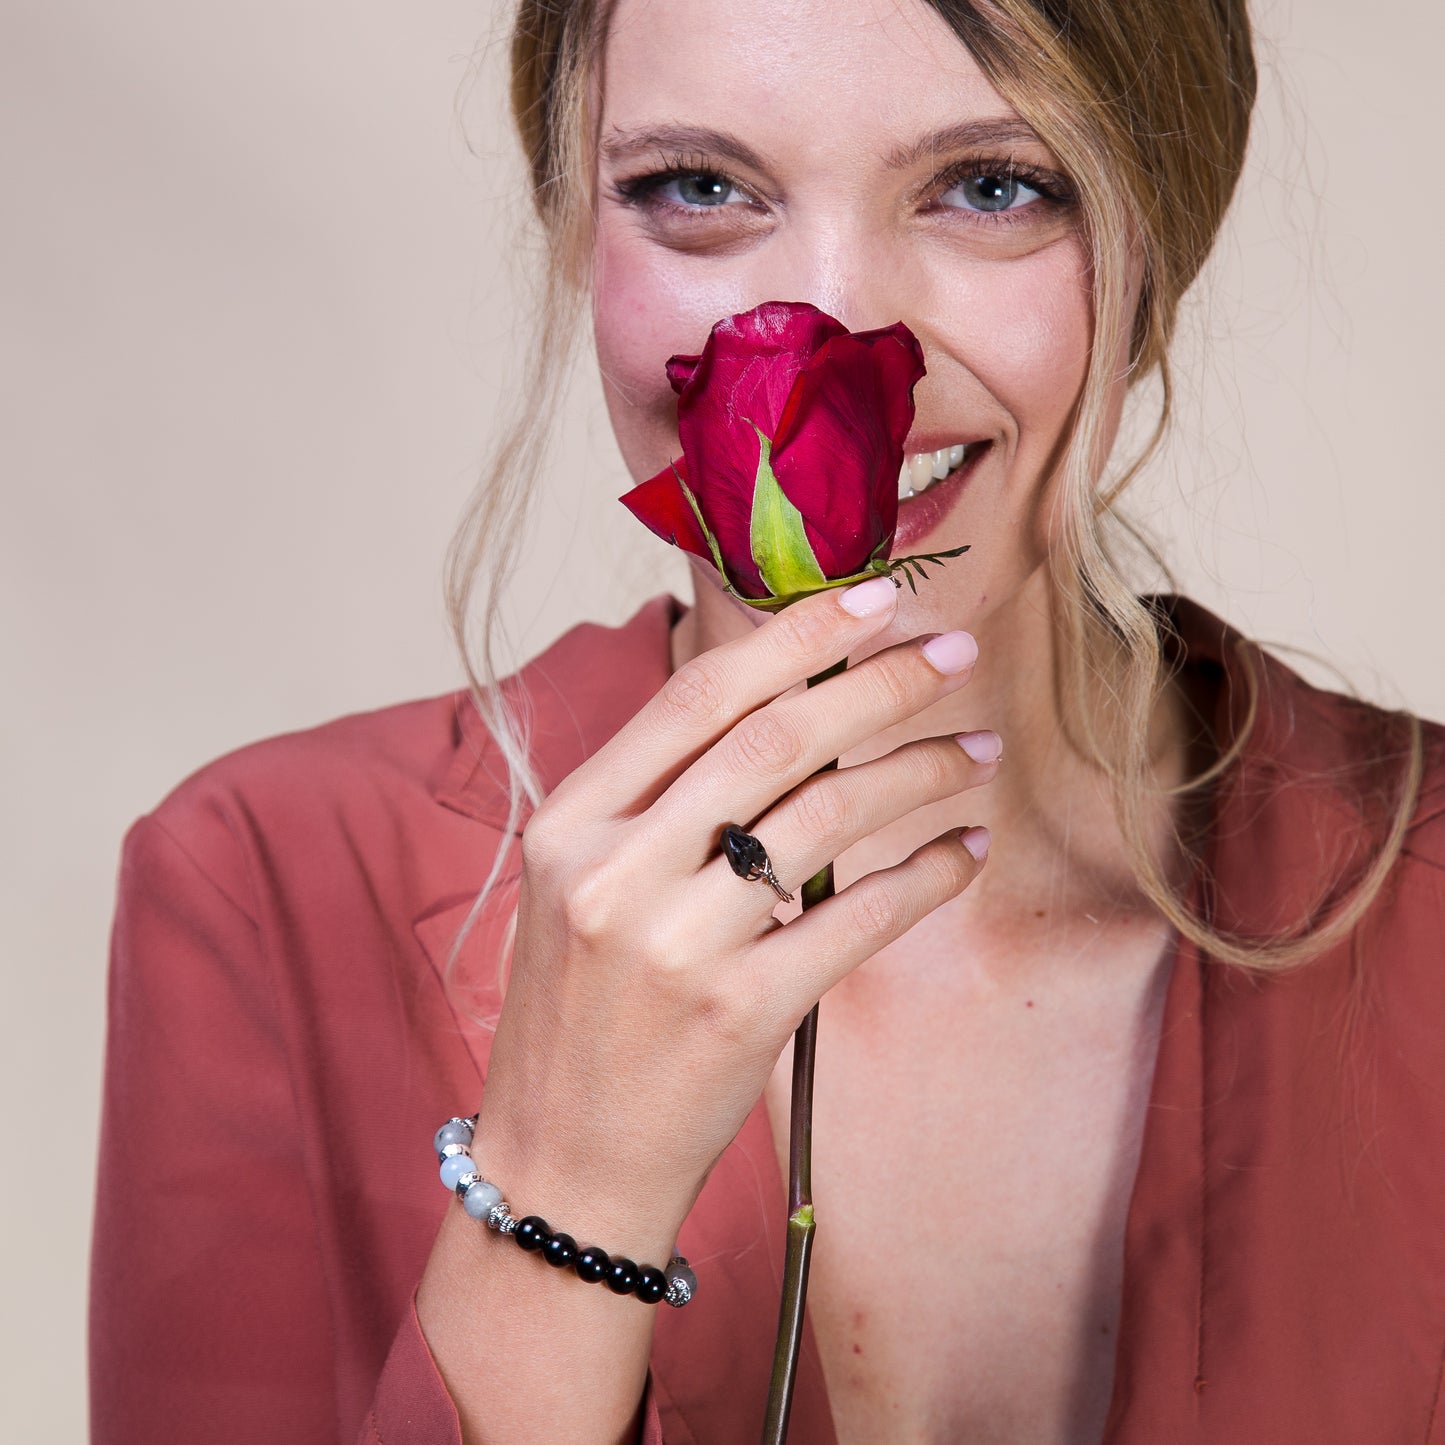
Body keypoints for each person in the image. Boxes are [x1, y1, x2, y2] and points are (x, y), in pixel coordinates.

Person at [89, 0, 1445, 1441]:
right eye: (698, 189)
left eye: (992, 185)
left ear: (1158, 248)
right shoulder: (260, 880)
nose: (834, 326)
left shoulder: (1416, 897)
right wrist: (562, 1186)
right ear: (574, 238)